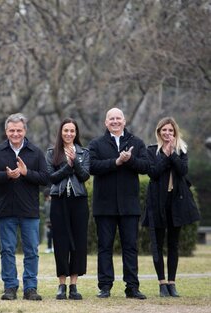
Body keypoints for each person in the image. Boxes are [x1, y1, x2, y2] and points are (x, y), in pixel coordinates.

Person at [89, 108, 149, 299]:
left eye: (118, 118)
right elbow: (91, 167)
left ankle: (132, 287)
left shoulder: (136, 142)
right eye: (111, 119)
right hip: (104, 205)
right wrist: (116, 162)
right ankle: (105, 286)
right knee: (104, 247)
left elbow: (146, 166)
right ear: (106, 123)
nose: (115, 121)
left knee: (130, 247)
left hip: (129, 205)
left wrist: (130, 160)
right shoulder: (96, 144)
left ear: (124, 121)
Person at [0, 113, 48, 301]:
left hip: (29, 210)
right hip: (6, 209)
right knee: (7, 250)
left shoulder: (36, 152)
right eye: (11, 130)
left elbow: (45, 178)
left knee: (31, 250)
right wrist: (6, 176)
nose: (15, 133)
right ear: (6, 131)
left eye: (19, 130)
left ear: (25, 131)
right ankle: (10, 287)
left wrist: (26, 173)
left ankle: (30, 287)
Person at [142, 117, 200, 297]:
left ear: (175, 132)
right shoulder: (151, 151)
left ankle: (172, 283)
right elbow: (153, 173)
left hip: (177, 203)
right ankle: (162, 283)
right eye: (164, 130)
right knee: (157, 244)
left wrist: (172, 154)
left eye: (171, 131)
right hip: (157, 203)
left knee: (173, 244)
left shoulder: (181, 150)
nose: (167, 133)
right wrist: (165, 156)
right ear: (159, 132)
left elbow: (183, 171)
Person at [45, 118, 90, 300]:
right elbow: (51, 177)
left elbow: (85, 175)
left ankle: (74, 285)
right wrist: (68, 166)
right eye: (66, 131)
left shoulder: (84, 152)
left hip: (79, 201)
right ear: (60, 132)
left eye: (72, 131)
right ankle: (61, 285)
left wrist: (75, 163)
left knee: (78, 243)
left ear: (76, 133)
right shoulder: (51, 152)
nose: (69, 134)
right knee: (61, 243)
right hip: (59, 201)